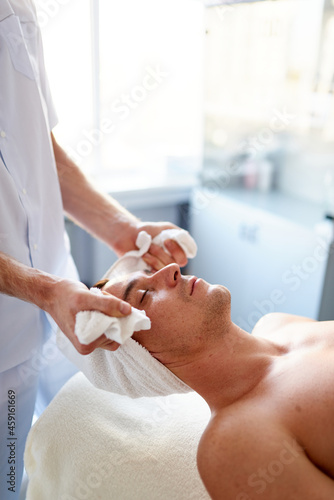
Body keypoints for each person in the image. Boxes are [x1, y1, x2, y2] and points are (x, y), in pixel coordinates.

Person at [0, 1, 187, 498]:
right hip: (5, 333)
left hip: (62, 305)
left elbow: (39, 146)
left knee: (65, 453)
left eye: (137, 294)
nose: (163, 277)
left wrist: (123, 229)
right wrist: (40, 289)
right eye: (140, 296)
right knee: (10, 477)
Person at [98, 263, 334, 499]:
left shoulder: (278, 323)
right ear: (143, 360)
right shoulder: (232, 444)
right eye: (145, 295)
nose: (172, 269)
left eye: (150, 273)